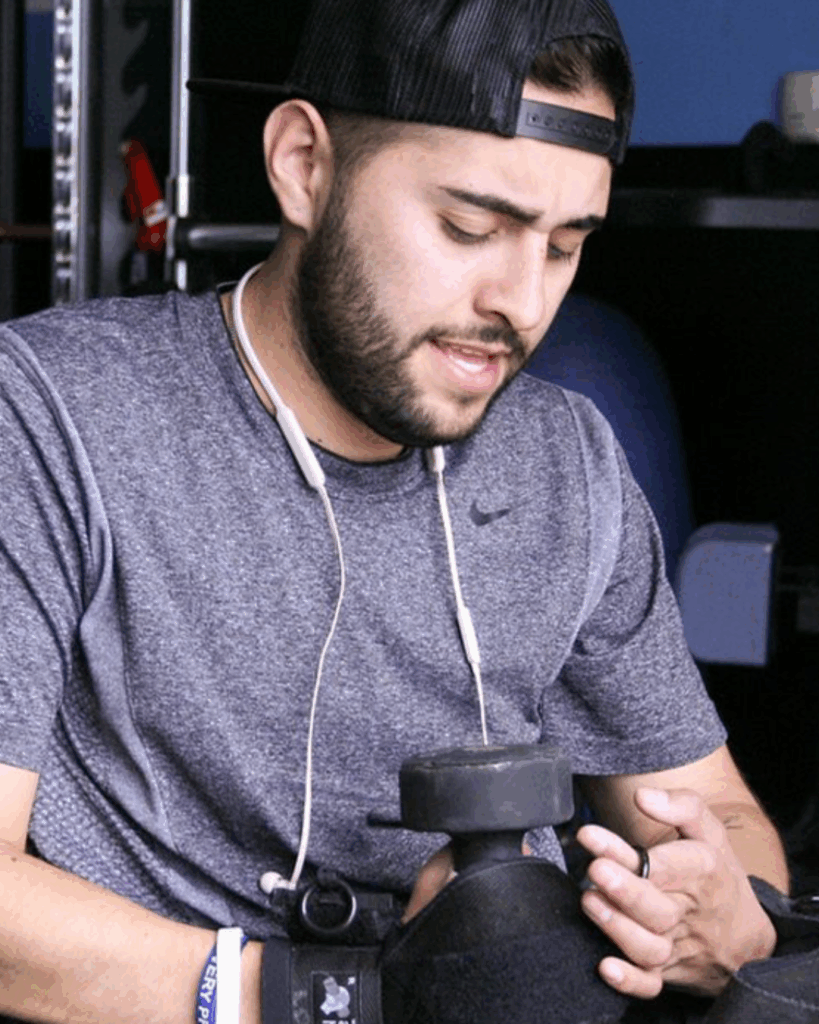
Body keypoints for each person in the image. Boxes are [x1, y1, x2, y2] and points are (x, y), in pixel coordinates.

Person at [0, 0, 791, 1021]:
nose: (523, 300)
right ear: (302, 166)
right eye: (471, 226)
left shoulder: (569, 465)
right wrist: (342, 996)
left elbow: (721, 815)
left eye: (565, 244)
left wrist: (726, 911)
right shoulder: (50, 418)